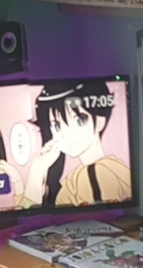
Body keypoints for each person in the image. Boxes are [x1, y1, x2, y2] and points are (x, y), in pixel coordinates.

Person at [19, 80, 133, 209]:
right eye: (57, 126)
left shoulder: (98, 172)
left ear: (99, 122)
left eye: (79, 121)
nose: (66, 133)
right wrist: (38, 171)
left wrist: (36, 175)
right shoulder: (74, 180)